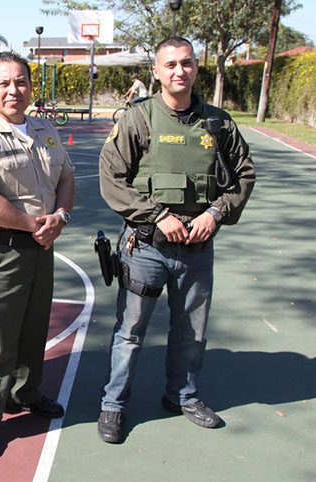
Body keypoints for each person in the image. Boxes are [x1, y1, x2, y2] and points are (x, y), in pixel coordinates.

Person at [97, 37, 255, 444]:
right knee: (130, 332)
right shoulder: (138, 119)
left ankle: (182, 395)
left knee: (191, 331)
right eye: (170, 65)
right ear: (156, 71)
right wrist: (158, 216)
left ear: (196, 67)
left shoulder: (218, 123)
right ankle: (113, 405)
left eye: (186, 64)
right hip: (147, 246)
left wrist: (216, 212)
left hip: (197, 250)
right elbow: (112, 179)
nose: (179, 71)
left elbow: (244, 176)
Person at [0, 51, 75, 461]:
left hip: (41, 247)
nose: (13, 90)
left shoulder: (45, 129)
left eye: (20, 81)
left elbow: (67, 176)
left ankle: (25, 393)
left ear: (30, 86)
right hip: (2, 253)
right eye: (3, 83)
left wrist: (60, 215)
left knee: (32, 327)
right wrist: (35, 225)